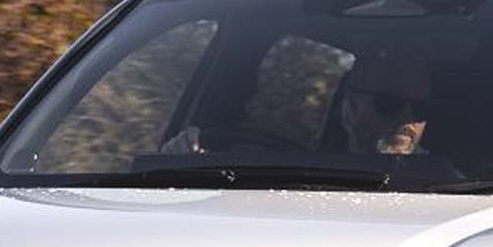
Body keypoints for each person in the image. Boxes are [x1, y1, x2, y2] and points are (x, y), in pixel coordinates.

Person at [158, 48, 435, 156]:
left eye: (420, 110)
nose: (407, 120)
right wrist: (177, 160)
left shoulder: (447, 187)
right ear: (348, 110)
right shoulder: (285, 173)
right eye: (389, 104)